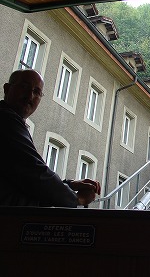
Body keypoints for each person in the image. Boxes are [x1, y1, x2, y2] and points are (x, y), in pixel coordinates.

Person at [0, 69, 101, 207]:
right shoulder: (6, 119)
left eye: (36, 92)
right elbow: (35, 174)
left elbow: (22, 179)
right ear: (7, 89)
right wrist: (77, 199)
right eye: (24, 87)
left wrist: (68, 185)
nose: (29, 96)